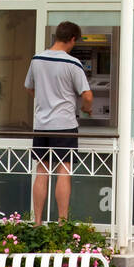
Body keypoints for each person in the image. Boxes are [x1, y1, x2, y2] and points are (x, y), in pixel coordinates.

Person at [25, 21, 93, 224]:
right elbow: (87, 95)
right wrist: (86, 108)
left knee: (42, 170)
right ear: (72, 39)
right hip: (64, 125)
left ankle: (37, 222)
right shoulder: (72, 63)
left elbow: (29, 87)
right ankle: (62, 223)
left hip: (41, 125)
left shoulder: (37, 59)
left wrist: (45, 98)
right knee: (64, 170)